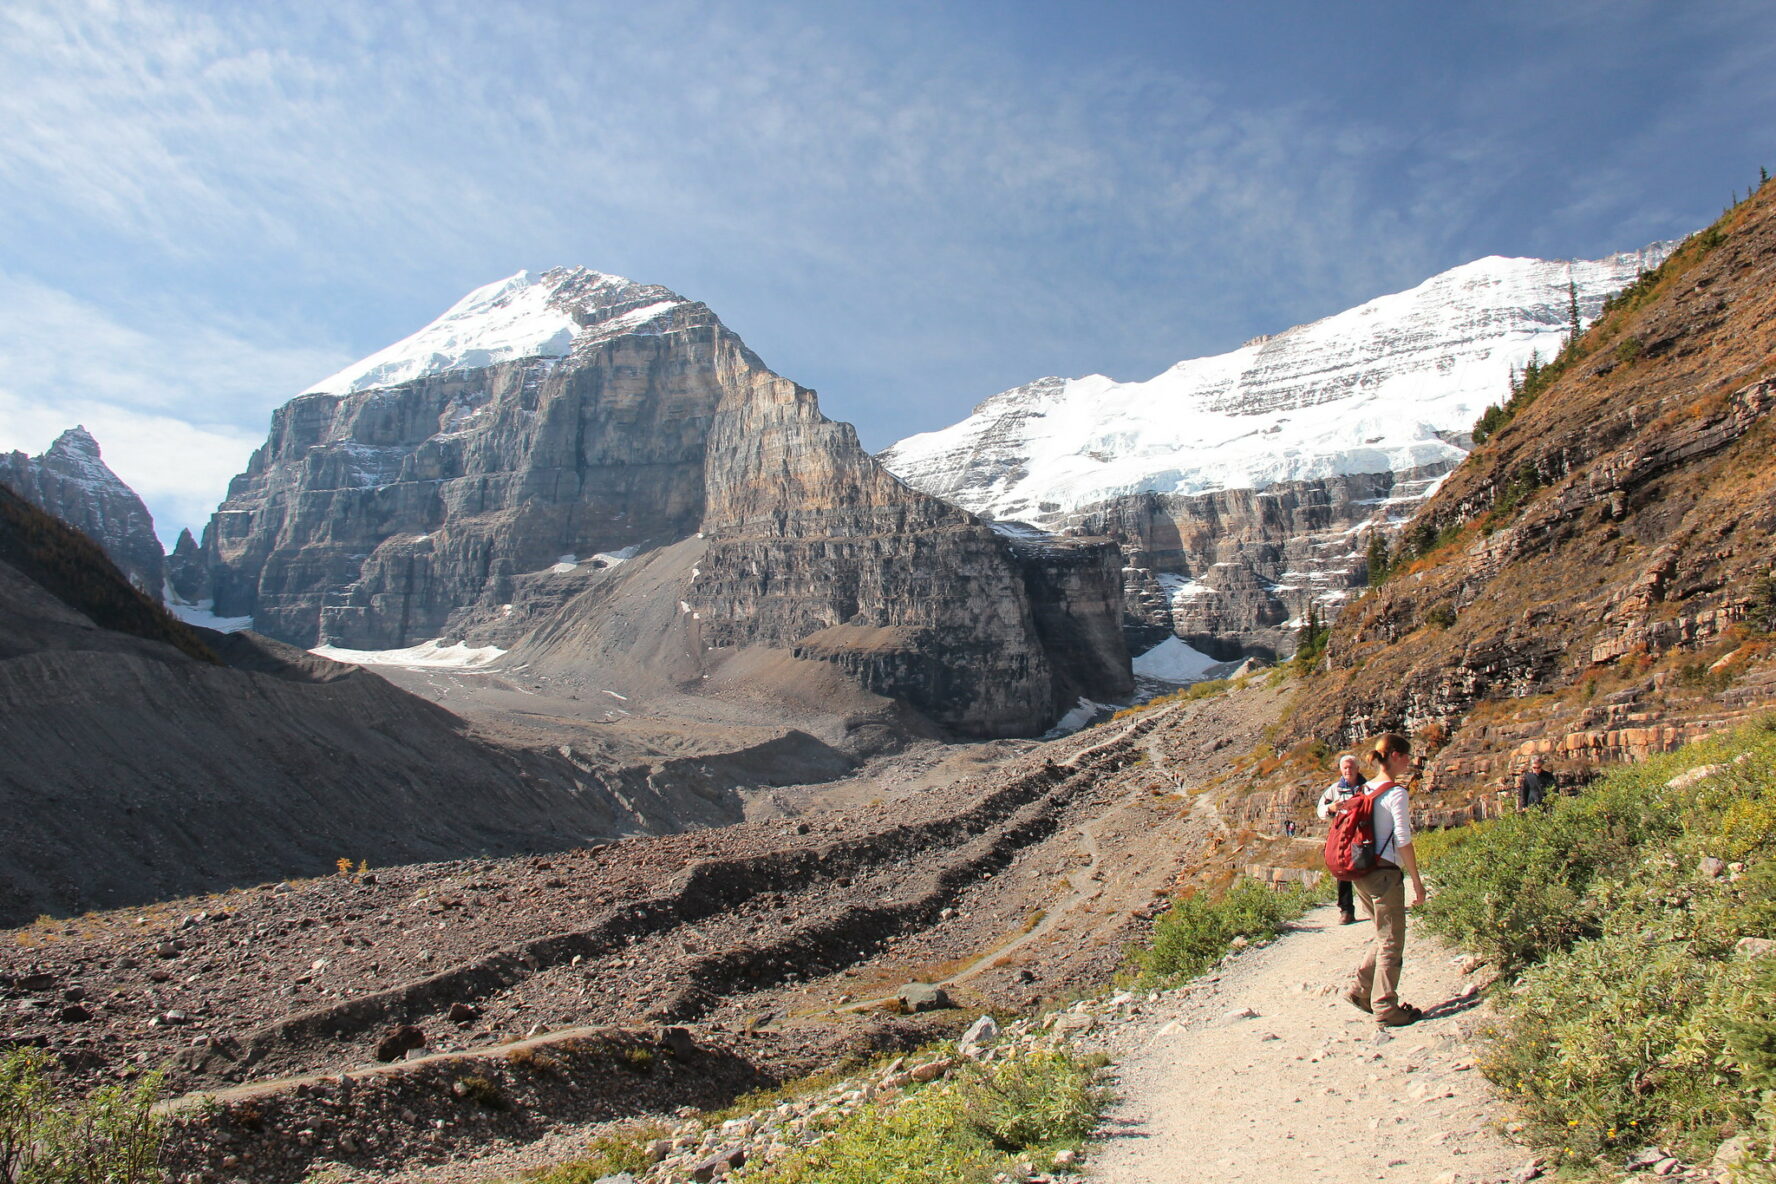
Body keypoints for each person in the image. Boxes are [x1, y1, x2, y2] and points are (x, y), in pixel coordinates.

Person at [1345, 732, 1428, 1027]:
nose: (1409, 762)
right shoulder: (1396, 793)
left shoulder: (1365, 789)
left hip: (1362, 871)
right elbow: (1403, 839)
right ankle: (1386, 1007)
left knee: (1382, 933)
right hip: (1385, 874)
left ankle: (1360, 991)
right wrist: (1417, 881)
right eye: (1407, 756)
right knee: (1392, 940)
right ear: (1394, 756)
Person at [1316, 753, 1364, 924]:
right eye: (1345, 767)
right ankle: (1346, 910)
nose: (1348, 770)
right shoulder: (1334, 789)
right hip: (1342, 836)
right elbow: (1320, 809)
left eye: (1351, 767)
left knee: (1367, 865)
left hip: (1362, 834)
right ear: (1340, 770)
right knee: (1342, 870)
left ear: (1358, 768)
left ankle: (1372, 904)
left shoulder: (1366, 788)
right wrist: (1330, 807)